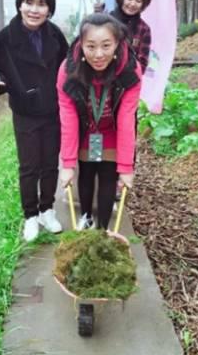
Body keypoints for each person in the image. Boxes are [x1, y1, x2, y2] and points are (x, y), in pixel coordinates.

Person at [0, 0, 69, 242]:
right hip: (25, 112)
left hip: (53, 111)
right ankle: (30, 216)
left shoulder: (55, 36)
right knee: (29, 166)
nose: (34, 9)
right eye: (29, 2)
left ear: (49, 10)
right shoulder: (5, 39)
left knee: (50, 164)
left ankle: (47, 210)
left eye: (41, 4)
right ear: (19, 4)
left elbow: (68, 69)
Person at [57, 13, 141, 230]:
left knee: (108, 176)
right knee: (86, 172)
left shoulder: (130, 70)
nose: (98, 54)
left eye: (106, 45)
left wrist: (125, 167)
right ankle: (86, 219)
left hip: (111, 129)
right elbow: (68, 117)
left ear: (117, 43)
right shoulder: (68, 71)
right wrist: (67, 164)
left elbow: (126, 118)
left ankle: (103, 228)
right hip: (88, 129)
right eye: (91, 46)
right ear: (81, 44)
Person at [110, 0, 152, 75]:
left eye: (138, 0)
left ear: (143, 3)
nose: (133, 4)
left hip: (128, 82)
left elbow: (143, 64)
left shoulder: (144, 29)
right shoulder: (106, 21)